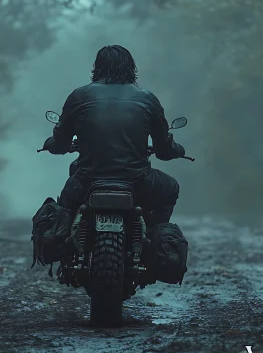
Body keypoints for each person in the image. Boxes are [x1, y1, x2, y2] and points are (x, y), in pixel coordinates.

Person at [42, 45, 185, 225]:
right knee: (171, 189)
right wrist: (177, 149)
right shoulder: (147, 98)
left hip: (86, 181)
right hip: (139, 182)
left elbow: (60, 145)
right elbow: (164, 150)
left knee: (63, 213)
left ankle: (70, 242)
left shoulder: (79, 96)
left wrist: (50, 143)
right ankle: (154, 237)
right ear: (131, 68)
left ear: (97, 67)